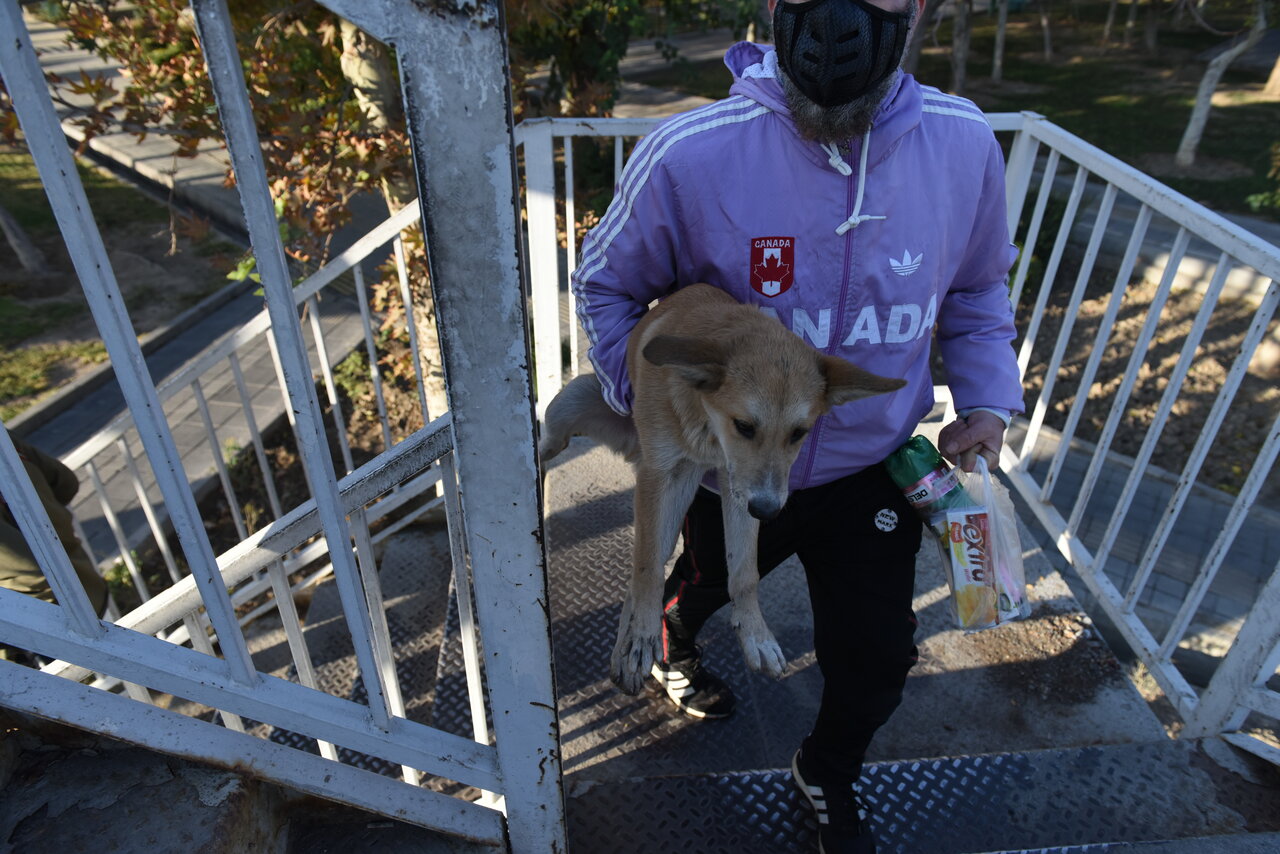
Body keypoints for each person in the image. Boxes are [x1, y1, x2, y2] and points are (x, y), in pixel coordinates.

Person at [571, 0, 1023, 849]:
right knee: (701, 583)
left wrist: (988, 400)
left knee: (880, 655)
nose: (843, 16)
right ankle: (676, 639)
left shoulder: (963, 146)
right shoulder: (690, 152)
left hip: (871, 463)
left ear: (917, 8)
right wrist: (647, 407)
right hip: (723, 464)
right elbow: (605, 285)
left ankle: (827, 770)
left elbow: (976, 288)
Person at [1, 437, 108, 663]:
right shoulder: (4, 436)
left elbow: (32, 570)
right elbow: (66, 483)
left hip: (47, 618)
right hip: (83, 582)